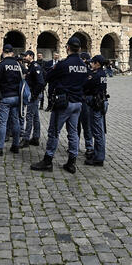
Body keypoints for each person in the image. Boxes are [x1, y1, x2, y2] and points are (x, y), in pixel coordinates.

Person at [31, 36, 88, 174]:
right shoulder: (84, 66)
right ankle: (72, 162)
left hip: (64, 103)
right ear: (79, 49)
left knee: (54, 132)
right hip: (77, 103)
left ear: (67, 47)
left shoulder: (63, 64)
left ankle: (48, 160)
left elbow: (49, 76)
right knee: (73, 133)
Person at [0, 44, 24, 155]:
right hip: (16, 97)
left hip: (5, 97)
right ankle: (15, 145)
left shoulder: (2, 65)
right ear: (12, 52)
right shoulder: (17, 64)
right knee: (15, 122)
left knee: (2, 123)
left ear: (3, 52)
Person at [84, 55, 108, 166]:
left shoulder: (95, 75)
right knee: (100, 130)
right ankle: (97, 153)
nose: (91, 64)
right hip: (101, 102)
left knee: (97, 131)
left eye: (92, 62)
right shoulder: (103, 73)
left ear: (97, 63)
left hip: (95, 103)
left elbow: (86, 86)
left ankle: (99, 158)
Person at [22, 50, 45, 146]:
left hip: (33, 95)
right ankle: (36, 137)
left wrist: (34, 95)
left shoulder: (35, 67)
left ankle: (26, 139)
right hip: (33, 94)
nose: (24, 58)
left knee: (29, 116)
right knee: (35, 117)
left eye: (26, 56)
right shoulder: (31, 66)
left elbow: (40, 82)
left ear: (31, 56)